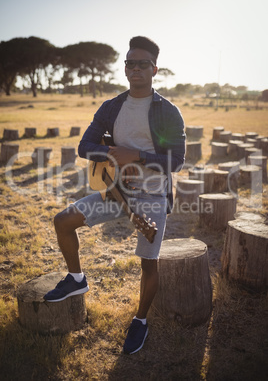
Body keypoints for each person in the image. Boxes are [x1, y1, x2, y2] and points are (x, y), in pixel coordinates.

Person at [44, 36, 186, 354]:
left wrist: (135, 156)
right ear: (125, 68)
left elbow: (176, 162)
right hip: (114, 191)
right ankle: (77, 278)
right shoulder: (111, 107)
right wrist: (111, 153)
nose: (135, 68)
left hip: (152, 197)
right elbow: (85, 147)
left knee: (148, 263)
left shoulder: (168, 112)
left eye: (143, 64)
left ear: (154, 69)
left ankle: (140, 321)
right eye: (130, 63)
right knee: (63, 220)